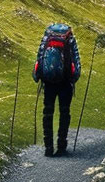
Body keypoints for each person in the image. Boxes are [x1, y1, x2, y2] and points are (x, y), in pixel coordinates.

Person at [32, 23, 81, 156]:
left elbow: (40, 56)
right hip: (65, 81)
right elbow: (75, 57)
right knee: (64, 112)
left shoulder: (47, 36)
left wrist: (37, 76)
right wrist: (74, 77)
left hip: (48, 83)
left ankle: (48, 147)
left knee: (48, 112)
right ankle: (61, 145)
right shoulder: (69, 38)